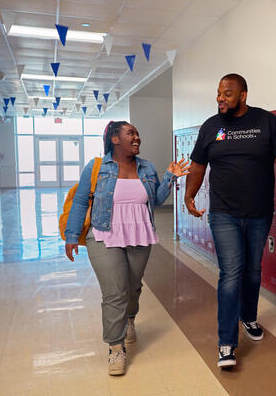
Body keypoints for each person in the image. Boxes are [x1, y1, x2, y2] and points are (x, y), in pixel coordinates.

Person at [185, 74, 276, 368]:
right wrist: (189, 196)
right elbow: (198, 165)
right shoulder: (212, 126)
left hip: (260, 212)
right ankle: (226, 342)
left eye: (227, 94)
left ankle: (248, 316)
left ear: (243, 95)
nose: (220, 99)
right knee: (231, 272)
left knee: (252, 270)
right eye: (218, 94)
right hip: (224, 213)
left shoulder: (266, 122)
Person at [64, 121, 189, 376]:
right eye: (131, 133)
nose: (137, 138)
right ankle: (115, 348)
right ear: (115, 139)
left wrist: (170, 177)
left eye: (137, 133)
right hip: (103, 234)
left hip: (139, 234)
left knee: (132, 286)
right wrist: (71, 235)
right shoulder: (97, 167)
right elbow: (79, 200)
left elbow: (155, 199)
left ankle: (130, 318)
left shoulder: (147, 168)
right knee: (114, 292)